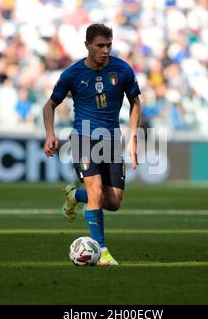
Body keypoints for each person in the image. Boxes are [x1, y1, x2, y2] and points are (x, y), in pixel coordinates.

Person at [43, 23, 141, 266]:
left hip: (111, 141)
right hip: (83, 139)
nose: (105, 50)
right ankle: (102, 251)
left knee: (114, 202)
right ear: (87, 46)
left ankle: (75, 194)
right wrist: (49, 134)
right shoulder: (72, 74)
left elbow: (135, 102)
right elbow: (49, 106)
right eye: (100, 45)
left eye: (109, 45)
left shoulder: (122, 70)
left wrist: (133, 137)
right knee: (96, 192)